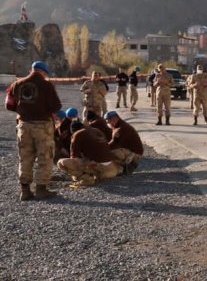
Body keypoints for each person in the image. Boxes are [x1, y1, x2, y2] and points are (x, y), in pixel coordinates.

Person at [6, 61, 62, 200]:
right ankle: (41, 189)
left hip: (23, 125)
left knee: (25, 157)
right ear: (43, 72)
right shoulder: (46, 85)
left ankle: (25, 191)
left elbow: (9, 104)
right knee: (45, 156)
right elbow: (56, 106)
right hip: (42, 126)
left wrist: (24, 111)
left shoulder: (17, 84)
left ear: (31, 70)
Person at [56, 121, 123, 186]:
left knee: (61, 162)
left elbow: (74, 157)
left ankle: (86, 179)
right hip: (112, 169)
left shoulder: (77, 134)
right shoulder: (96, 130)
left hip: (100, 169)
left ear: (73, 131)